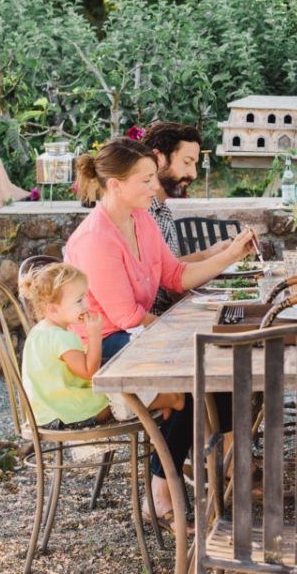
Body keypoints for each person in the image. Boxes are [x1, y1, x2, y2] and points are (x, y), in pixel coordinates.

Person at [64, 137, 255, 525]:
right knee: (187, 375)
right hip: (102, 344)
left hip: (134, 332)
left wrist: (229, 256)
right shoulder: (96, 239)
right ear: (115, 185)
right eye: (145, 180)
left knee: (224, 359)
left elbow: (174, 276)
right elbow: (128, 317)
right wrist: (193, 324)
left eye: (154, 178)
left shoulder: (142, 219)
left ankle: (223, 471)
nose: (154, 188)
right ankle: (159, 490)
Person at [18, 262, 184, 430]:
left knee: (117, 391)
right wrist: (94, 336)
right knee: (120, 396)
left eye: (85, 297)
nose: (86, 305)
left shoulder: (38, 332)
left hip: (44, 414)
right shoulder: (62, 338)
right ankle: (170, 399)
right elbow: (89, 372)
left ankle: (161, 405)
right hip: (68, 414)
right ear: (52, 309)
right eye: (78, 300)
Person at [141, 121, 233, 312]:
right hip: (152, 322)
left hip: (167, 314)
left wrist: (208, 254)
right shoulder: (140, 213)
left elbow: (168, 269)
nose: (193, 174)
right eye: (186, 162)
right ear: (159, 159)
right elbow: (170, 284)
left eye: (194, 164)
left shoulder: (162, 210)